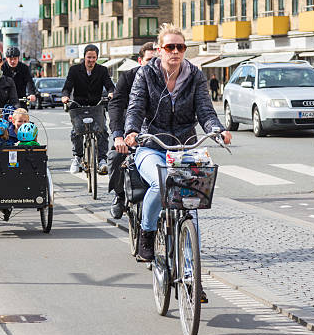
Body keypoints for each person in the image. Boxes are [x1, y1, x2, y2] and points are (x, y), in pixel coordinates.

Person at [124, 23, 232, 290]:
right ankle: (147, 234)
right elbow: (136, 105)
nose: (175, 51)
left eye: (180, 47)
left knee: (191, 202)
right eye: (170, 47)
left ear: (185, 50)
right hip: (151, 143)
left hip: (185, 145)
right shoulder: (145, 74)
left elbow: (205, 110)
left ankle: (190, 272)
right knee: (160, 183)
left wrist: (216, 130)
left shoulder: (195, 75)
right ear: (160, 49)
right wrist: (132, 132)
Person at [107, 42, 156, 219]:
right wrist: (118, 136)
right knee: (116, 157)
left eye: (156, 59)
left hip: (155, 133)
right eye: (149, 60)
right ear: (140, 60)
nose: (152, 64)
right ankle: (119, 197)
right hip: (130, 132)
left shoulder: (165, 77)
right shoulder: (128, 77)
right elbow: (116, 106)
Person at [61, 44, 115, 175]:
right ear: (84, 57)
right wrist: (65, 96)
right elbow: (67, 86)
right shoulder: (74, 70)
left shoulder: (102, 70)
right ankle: (78, 157)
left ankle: (102, 159)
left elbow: (110, 85)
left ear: (97, 58)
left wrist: (111, 93)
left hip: (97, 105)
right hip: (78, 105)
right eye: (88, 57)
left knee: (102, 131)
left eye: (94, 58)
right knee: (76, 132)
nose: (91, 60)